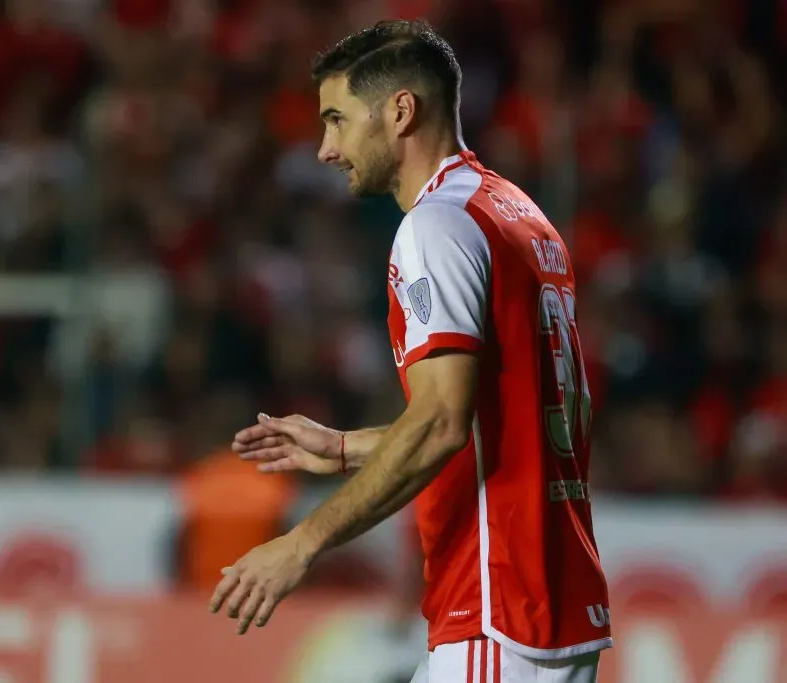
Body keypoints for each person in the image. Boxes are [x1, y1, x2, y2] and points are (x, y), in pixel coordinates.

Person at [209, 19, 611, 683]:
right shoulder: (517, 214)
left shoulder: (436, 226)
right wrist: (347, 447)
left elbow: (442, 424)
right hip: (544, 606)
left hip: (497, 607)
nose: (324, 149)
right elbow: (495, 420)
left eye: (337, 120)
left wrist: (302, 542)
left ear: (400, 111)